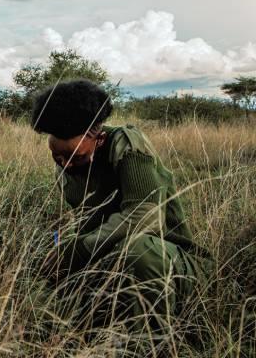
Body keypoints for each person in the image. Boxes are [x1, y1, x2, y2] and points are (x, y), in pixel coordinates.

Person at [31, 79, 211, 334]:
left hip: (170, 264)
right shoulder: (66, 165)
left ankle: (152, 343)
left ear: (99, 138)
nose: (66, 164)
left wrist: (80, 249)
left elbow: (146, 218)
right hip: (113, 261)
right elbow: (86, 223)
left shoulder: (126, 143)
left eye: (76, 156)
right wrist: (65, 254)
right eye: (57, 156)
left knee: (138, 249)